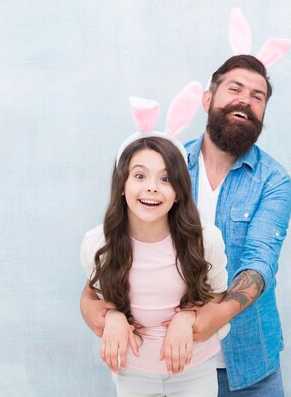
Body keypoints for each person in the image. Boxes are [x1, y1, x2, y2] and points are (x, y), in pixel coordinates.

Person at [80, 136, 228, 397]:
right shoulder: (98, 244)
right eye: (139, 176)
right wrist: (111, 317)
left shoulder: (205, 240)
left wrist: (188, 317)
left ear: (179, 192)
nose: (152, 188)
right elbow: (95, 296)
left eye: (166, 178)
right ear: (122, 186)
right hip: (132, 373)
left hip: (195, 372)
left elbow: (218, 294)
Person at [183, 54, 291, 396]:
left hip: (251, 371)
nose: (245, 99)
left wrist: (217, 315)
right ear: (207, 99)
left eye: (257, 96)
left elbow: (260, 261)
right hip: (174, 366)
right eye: (235, 88)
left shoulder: (273, 181)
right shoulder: (167, 169)